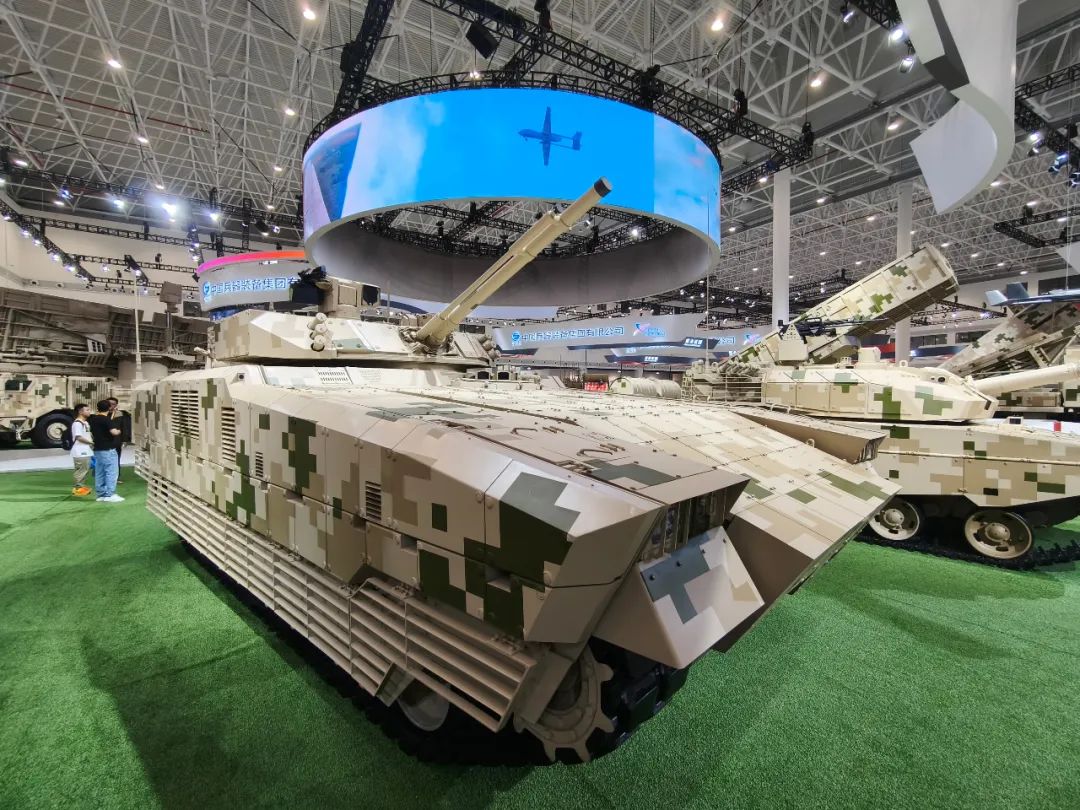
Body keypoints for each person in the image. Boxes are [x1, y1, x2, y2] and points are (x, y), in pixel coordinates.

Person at [88, 399, 123, 503]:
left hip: (97, 449)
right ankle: (110, 494)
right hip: (108, 449)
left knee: (100, 472)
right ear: (109, 408)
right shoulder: (106, 419)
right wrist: (119, 430)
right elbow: (114, 432)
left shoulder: (93, 419)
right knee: (111, 472)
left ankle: (101, 494)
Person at [69, 403, 93, 496]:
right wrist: (91, 443)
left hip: (86, 450)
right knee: (81, 470)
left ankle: (81, 486)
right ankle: (77, 488)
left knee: (85, 469)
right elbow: (78, 437)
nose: (89, 412)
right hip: (80, 451)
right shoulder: (77, 424)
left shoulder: (85, 423)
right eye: (87, 410)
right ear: (80, 412)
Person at [106, 397, 129, 484]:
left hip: (116, 441)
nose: (111, 406)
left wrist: (125, 440)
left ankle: (116, 477)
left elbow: (124, 427)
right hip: (104, 441)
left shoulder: (119, 414)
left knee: (116, 459)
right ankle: (105, 477)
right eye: (109, 404)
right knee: (105, 459)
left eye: (113, 404)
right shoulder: (102, 414)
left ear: (116, 405)